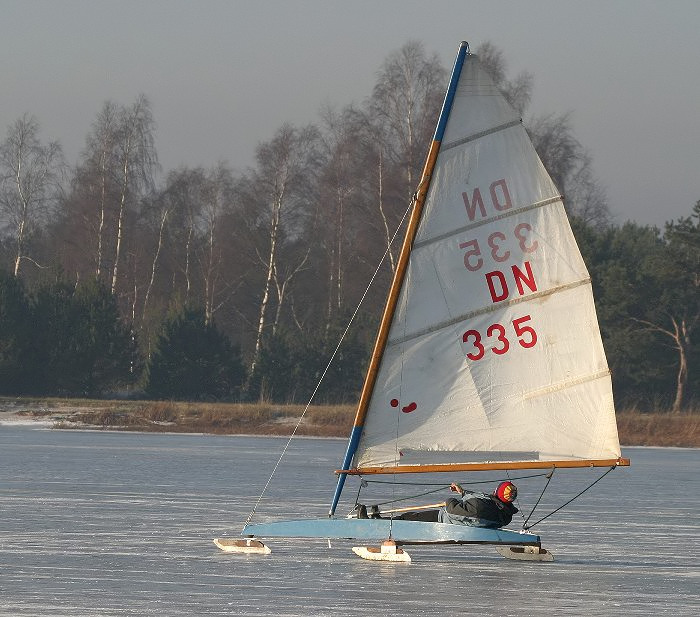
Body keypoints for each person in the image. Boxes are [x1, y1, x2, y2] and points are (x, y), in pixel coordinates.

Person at [358, 481, 518, 528]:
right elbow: (480, 501)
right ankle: (379, 519)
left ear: (497, 492)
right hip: (451, 519)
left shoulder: (482, 506)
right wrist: (462, 492)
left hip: (444, 520)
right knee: (407, 517)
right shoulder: (503, 512)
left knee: (407, 519)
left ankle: (372, 523)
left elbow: (455, 511)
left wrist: (451, 500)